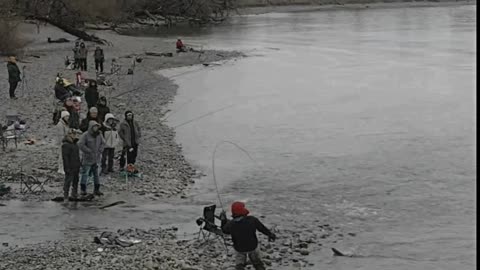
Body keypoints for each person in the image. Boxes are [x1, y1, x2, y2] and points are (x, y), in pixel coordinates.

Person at [220, 202, 276, 270]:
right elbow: (262, 229)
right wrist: (270, 234)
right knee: (257, 263)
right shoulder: (252, 220)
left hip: (239, 248)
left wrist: (223, 220)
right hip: (252, 246)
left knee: (239, 264)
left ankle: (240, 266)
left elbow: (224, 230)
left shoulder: (231, 224)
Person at [78, 121, 105, 196]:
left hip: (96, 158)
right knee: (85, 174)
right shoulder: (85, 135)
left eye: (97, 126)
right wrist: (88, 151)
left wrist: (100, 150)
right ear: (91, 127)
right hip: (87, 158)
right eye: (94, 126)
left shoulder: (99, 134)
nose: (96, 128)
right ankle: (83, 189)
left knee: (96, 174)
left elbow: (103, 143)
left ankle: (96, 189)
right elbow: (80, 144)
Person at [62, 129, 81, 201]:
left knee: (76, 181)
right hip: (70, 166)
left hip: (76, 165)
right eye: (72, 134)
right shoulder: (65, 145)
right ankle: (66, 195)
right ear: (68, 135)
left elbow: (77, 155)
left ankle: (74, 194)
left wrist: (79, 163)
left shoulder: (75, 144)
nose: (74, 135)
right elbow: (65, 157)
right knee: (68, 181)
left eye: (74, 134)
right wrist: (66, 168)